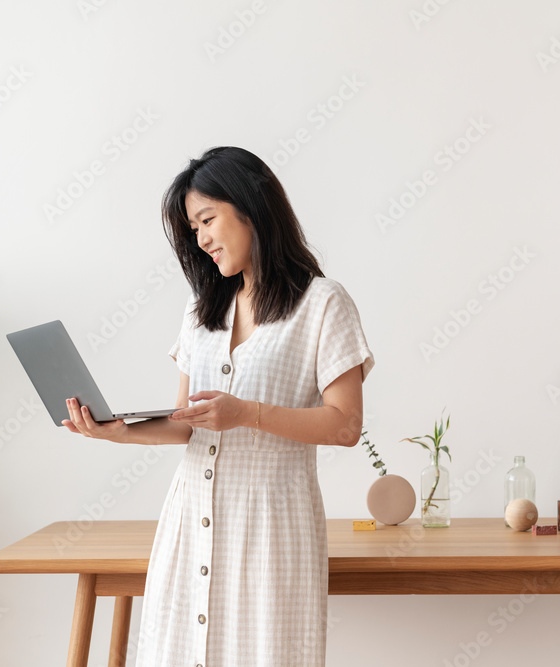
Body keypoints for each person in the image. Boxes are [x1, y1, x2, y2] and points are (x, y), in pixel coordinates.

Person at [61, 146, 375, 666]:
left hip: (272, 525)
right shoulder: (202, 308)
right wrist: (114, 431)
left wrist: (248, 413)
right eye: (193, 228)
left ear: (251, 207)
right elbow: (188, 423)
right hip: (190, 521)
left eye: (207, 219)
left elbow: (346, 425)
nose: (201, 239)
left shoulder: (323, 303)